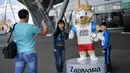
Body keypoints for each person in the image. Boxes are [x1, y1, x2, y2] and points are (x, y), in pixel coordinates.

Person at [1, 9, 48, 73]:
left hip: (19, 53)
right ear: (27, 16)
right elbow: (44, 33)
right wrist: (44, 25)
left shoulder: (14, 26)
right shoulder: (31, 27)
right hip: (30, 53)